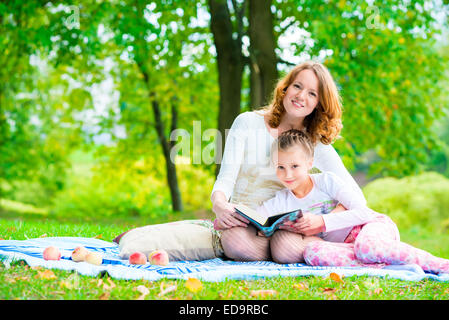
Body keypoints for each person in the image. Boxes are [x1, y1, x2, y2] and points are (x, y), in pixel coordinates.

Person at [211, 61, 364, 262]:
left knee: (285, 245)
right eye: (298, 86)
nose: (301, 96)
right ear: (286, 88)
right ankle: (289, 253)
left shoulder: (314, 143)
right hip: (250, 225)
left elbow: (355, 194)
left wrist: (322, 222)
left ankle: (317, 250)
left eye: (312, 93)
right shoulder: (247, 122)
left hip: (291, 230)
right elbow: (226, 178)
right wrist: (219, 204)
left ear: (320, 103)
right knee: (234, 242)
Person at [260, 129, 448, 274]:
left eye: (294, 166)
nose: (288, 174)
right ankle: (384, 264)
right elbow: (256, 215)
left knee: (365, 247)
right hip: (344, 247)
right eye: (280, 167)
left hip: (370, 228)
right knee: (312, 253)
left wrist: (323, 222)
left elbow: (363, 211)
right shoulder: (281, 201)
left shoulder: (327, 181)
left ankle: (440, 265)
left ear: (309, 163)